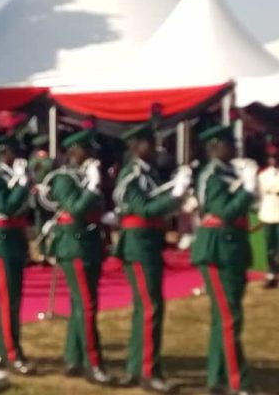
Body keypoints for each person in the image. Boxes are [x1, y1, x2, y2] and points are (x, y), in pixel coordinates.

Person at [113, 123, 191, 393]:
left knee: (144, 308)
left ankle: (136, 368)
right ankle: (148, 371)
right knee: (150, 308)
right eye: (149, 143)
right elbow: (144, 209)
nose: (155, 148)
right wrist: (176, 195)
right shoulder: (132, 173)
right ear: (136, 146)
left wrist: (175, 197)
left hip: (148, 243)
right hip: (139, 244)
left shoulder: (150, 172)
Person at [44, 128, 112, 386]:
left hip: (90, 244)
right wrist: (93, 186)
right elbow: (76, 208)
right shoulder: (63, 178)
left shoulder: (86, 176)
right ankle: (94, 363)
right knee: (86, 305)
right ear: (74, 151)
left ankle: (74, 357)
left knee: (79, 303)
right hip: (74, 246)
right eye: (87, 149)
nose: (92, 155)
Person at [192, 125, 256, 395]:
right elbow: (225, 211)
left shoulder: (227, 173)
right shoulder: (213, 175)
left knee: (225, 317)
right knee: (230, 317)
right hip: (218, 250)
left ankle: (217, 378)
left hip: (232, 249)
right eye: (230, 144)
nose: (235, 149)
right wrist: (248, 190)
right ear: (216, 146)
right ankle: (235, 381)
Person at [0, 135, 36, 375]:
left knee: (14, 299)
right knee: (8, 300)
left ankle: (6, 349)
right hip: (1, 241)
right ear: (5, 153)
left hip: (14, 240)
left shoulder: (9, 177)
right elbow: (5, 207)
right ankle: (12, 353)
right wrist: (22, 185)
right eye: (15, 151)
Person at [29, 134, 54, 264]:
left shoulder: (31, 162)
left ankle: (42, 253)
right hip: (49, 196)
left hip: (36, 196)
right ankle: (51, 252)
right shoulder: (50, 161)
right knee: (51, 224)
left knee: (39, 225)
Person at [258, 141, 279, 289]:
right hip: (268, 214)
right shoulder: (263, 175)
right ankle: (272, 274)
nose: (273, 160)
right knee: (270, 248)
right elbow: (260, 193)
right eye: (271, 157)